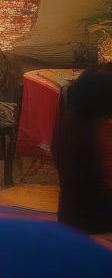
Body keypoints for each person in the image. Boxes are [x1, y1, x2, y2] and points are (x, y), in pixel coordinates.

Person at [53, 68, 112, 233]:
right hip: (95, 217)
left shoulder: (72, 121)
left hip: (73, 212)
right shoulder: (93, 128)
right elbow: (107, 171)